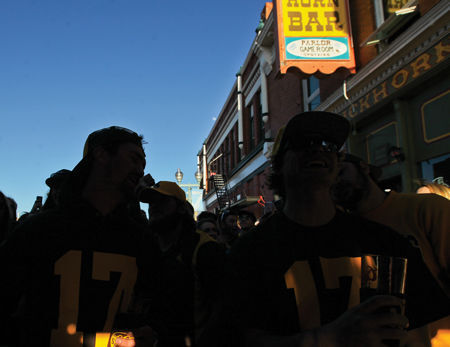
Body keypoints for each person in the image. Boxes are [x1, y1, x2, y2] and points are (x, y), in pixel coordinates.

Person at [221, 111, 449, 347]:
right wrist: (326, 339)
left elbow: (431, 324)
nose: (318, 149)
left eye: (328, 145)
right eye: (303, 142)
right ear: (279, 165)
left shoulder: (384, 241)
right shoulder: (250, 253)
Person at [0, 126, 161, 347]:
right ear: (102, 154)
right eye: (134, 159)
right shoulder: (38, 231)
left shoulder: (142, 242)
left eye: (143, 164)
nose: (140, 170)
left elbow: (154, 318)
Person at [333, 154, 450, 344]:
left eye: (341, 171)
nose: (336, 182)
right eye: (329, 179)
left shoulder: (428, 209)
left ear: (364, 167)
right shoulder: (339, 235)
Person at [138, 181, 225, 346]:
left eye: (162, 201)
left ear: (180, 208)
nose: (154, 207)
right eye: (151, 202)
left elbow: (223, 310)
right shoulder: (149, 247)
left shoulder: (204, 248)